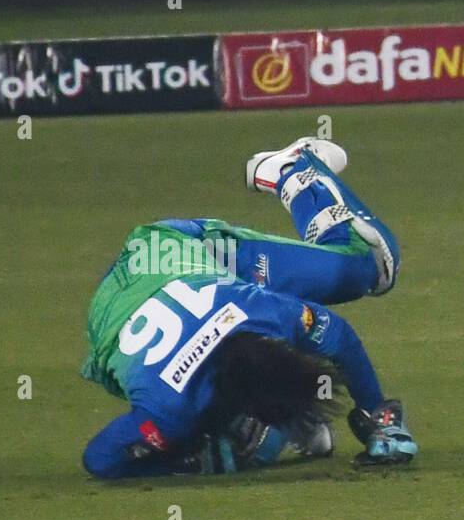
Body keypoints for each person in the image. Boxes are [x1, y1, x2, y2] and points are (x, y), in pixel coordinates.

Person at [80, 137, 418, 477]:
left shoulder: (253, 311)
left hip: (159, 267)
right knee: (370, 267)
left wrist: (376, 411)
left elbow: (102, 459)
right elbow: (98, 459)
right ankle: (294, 167)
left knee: (364, 268)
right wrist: (192, 463)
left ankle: (289, 169)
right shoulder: (174, 408)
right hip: (137, 283)